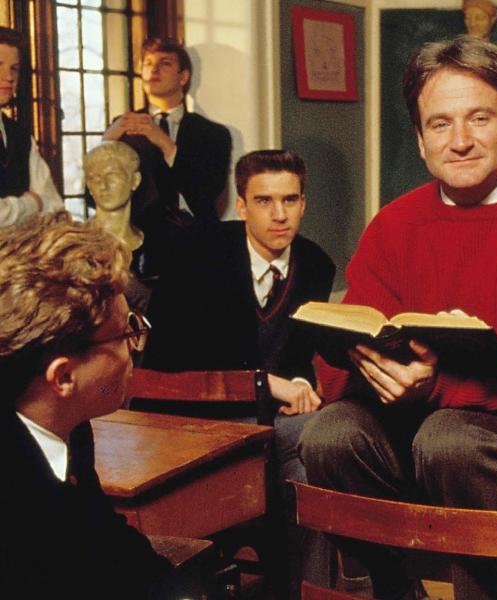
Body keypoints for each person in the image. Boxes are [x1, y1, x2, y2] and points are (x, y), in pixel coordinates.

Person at [299, 35, 497, 600]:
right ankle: (398, 593)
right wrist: (376, 369)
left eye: (479, 118)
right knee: (329, 434)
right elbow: (336, 372)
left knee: (450, 440)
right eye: (440, 124)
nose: (461, 141)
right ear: (421, 140)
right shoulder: (394, 225)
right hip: (416, 434)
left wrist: (437, 383)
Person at [142, 149, 335, 598]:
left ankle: (310, 588)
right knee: (304, 448)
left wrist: (301, 384)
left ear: (304, 203)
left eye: (290, 200)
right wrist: (264, 384)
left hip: (272, 422)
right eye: (264, 201)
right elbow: (166, 366)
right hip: (193, 421)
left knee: (323, 450)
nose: (279, 215)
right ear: (243, 206)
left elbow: (298, 356)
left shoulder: (316, 264)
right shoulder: (195, 252)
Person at [0, 211, 197, 599]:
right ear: (64, 377)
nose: (134, 347)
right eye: (125, 333)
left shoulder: (67, 426)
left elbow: (103, 544)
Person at [103, 37, 231, 274]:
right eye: (148, 63)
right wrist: (107, 142)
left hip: (197, 252)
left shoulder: (213, 134)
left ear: (183, 77)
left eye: (165, 63)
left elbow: (206, 194)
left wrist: (166, 144)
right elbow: (97, 196)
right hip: (135, 256)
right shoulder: (122, 127)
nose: (154, 69)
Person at [0, 26, 61, 227]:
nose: (9, 77)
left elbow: (53, 205)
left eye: (14, 68)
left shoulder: (20, 136)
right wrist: (31, 204)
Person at [86, 141, 143, 254]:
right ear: (89, 185)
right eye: (96, 178)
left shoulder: (157, 247)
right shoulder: (74, 247)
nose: (103, 185)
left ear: (135, 180)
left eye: (113, 176)